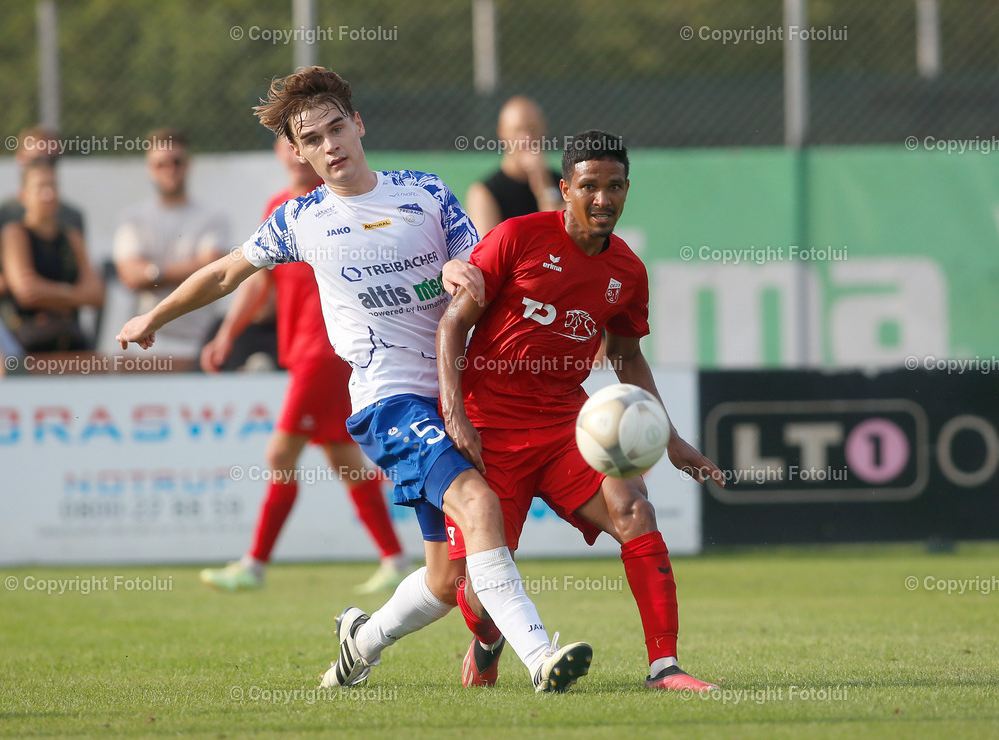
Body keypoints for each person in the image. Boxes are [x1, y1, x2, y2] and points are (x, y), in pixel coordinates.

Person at [116, 66, 591, 693]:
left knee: (447, 581)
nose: (329, 146)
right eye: (311, 140)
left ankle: (358, 644)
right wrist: (154, 313)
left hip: (456, 390)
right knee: (478, 503)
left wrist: (460, 268)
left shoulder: (424, 192)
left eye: (336, 128)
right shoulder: (300, 218)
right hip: (388, 402)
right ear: (299, 151)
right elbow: (226, 274)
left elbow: (476, 261)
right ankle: (540, 661)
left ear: (358, 124)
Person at [437, 130, 725, 692]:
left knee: (635, 509)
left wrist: (671, 440)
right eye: (589, 186)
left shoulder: (627, 272)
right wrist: (456, 414)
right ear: (564, 189)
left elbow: (625, 357)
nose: (603, 199)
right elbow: (453, 325)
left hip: (569, 426)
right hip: (489, 429)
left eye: (614, 187)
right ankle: (490, 639)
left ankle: (664, 667)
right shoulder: (516, 238)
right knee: (473, 587)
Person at [198, 135, 411, 594]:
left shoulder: (337, 206)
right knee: (344, 459)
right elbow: (256, 282)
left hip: (326, 352)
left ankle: (254, 565)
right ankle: (395, 558)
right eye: (293, 143)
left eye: (311, 142)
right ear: (282, 152)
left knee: (279, 455)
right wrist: (226, 334)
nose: (299, 153)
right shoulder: (281, 208)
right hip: (303, 352)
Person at [113, 128, 228, 363]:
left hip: (199, 341)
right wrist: (192, 270)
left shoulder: (213, 217)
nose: (170, 170)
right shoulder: (133, 218)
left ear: (188, 164)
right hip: (144, 341)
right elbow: (130, 275)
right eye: (160, 164)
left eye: (176, 162)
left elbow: (214, 270)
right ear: (149, 169)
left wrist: (153, 273)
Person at [0, 159, 104, 352]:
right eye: (40, 187)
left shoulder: (72, 236)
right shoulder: (15, 234)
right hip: (27, 343)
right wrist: (72, 294)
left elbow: (96, 294)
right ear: (23, 195)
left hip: (71, 339)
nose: (48, 194)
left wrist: (48, 294)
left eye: (53, 186)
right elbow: (26, 291)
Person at [464, 96, 563, 236]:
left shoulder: (565, 184)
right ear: (502, 133)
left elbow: (565, 238)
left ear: (544, 129)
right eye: (517, 131)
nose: (526, 139)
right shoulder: (484, 192)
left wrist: (544, 187)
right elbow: (487, 252)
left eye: (532, 129)